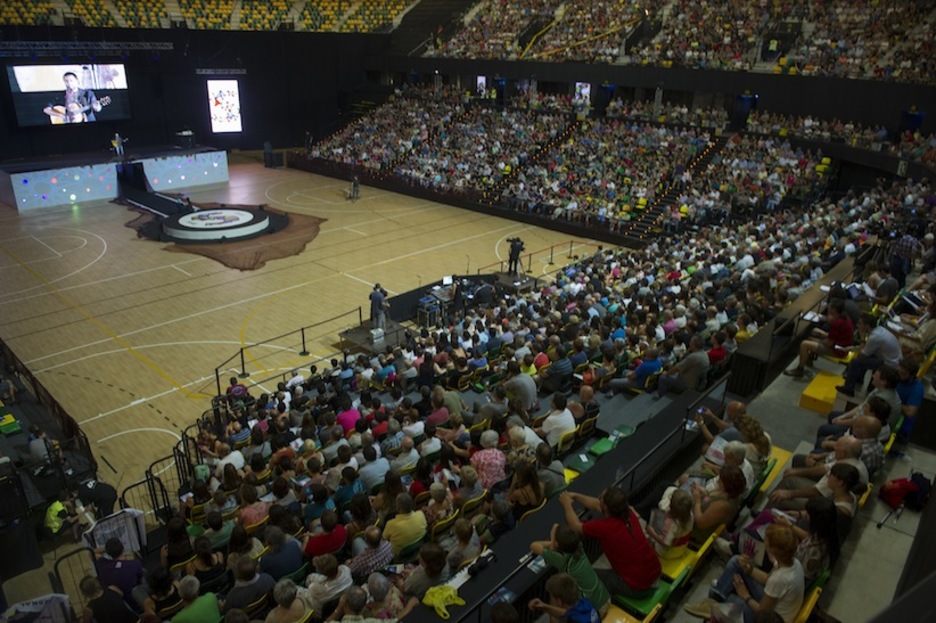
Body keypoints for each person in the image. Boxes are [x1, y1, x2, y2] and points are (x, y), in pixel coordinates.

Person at [684, 524, 804, 623]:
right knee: (736, 561)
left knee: (727, 596)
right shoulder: (792, 562)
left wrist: (745, 595)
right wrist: (748, 568)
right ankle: (713, 601)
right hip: (771, 607)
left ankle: (713, 604)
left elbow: (761, 612)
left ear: (773, 550)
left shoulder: (780, 579)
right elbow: (768, 578)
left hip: (768, 618)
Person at [558, 487, 661, 598]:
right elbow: (598, 505)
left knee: (585, 575)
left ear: (606, 507)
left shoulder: (604, 528)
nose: (599, 500)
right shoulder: (629, 513)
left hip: (638, 587)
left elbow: (576, 526)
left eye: (601, 499)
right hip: (654, 574)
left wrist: (567, 504)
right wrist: (575, 496)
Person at [531, 524, 610, 617]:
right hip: (605, 598)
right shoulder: (578, 546)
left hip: (593, 610)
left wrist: (552, 544)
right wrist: (554, 541)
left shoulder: (561, 560)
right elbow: (556, 525)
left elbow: (534, 546)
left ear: (557, 544)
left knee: (555, 599)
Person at [783, 299, 854, 378]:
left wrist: (819, 340)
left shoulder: (837, 323)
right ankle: (808, 360)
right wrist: (822, 334)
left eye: (829, 306)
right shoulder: (845, 318)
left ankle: (799, 370)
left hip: (838, 351)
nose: (828, 307)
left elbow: (829, 343)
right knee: (814, 334)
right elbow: (836, 336)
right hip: (841, 345)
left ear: (833, 310)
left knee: (804, 344)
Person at [528, 572, 601, 623]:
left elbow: (566, 615)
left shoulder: (570, 621)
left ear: (559, 601)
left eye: (551, 597)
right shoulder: (585, 602)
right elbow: (568, 613)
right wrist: (544, 607)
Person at [93, 537, 144, 610]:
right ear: (122, 548)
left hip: (117, 605)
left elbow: (92, 553)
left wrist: (108, 549)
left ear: (108, 552)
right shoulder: (135, 564)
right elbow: (140, 579)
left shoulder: (103, 565)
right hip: (137, 601)